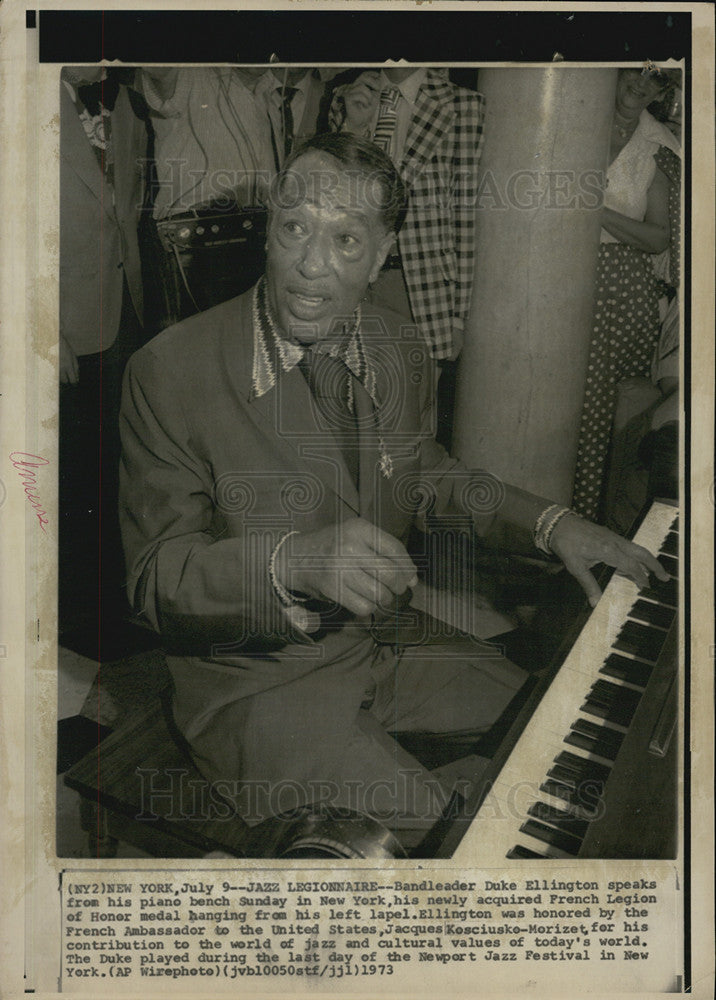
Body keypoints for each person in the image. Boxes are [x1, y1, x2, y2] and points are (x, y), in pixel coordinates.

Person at [119, 134, 667, 843]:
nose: (310, 267)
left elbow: (426, 474)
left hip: (384, 642)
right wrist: (292, 563)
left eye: (346, 240)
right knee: (468, 835)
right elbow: (152, 577)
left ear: (381, 256)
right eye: (294, 229)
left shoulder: (398, 345)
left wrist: (551, 524)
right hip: (255, 684)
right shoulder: (168, 371)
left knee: (566, 726)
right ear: (268, 234)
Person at [59, 67, 148, 640]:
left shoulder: (126, 108)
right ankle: (75, 616)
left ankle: (118, 604)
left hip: (125, 309)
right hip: (66, 324)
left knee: (119, 464)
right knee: (72, 475)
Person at [572, 67, 681, 521]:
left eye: (656, 80)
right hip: (558, 275)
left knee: (601, 412)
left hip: (622, 287)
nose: (641, 84)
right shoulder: (573, 117)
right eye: (636, 70)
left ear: (663, 92)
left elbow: (659, 237)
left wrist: (592, 215)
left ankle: (593, 521)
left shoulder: (658, 148)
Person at [329, 67, 484, 365]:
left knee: (414, 401)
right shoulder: (345, 98)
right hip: (350, 274)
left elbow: (464, 216)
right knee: (343, 396)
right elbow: (333, 197)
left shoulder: (462, 104)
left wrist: (458, 316)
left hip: (418, 288)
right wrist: (352, 126)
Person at [137, 67, 276, 331]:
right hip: (193, 249)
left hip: (254, 244)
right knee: (195, 356)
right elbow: (158, 68)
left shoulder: (268, 87)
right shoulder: (191, 74)